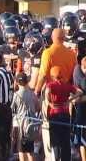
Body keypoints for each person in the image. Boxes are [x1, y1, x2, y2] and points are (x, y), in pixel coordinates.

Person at [34, 28, 76, 160]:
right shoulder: (71, 54)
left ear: (52, 38)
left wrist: (36, 90)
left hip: (51, 94)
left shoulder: (48, 53)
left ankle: (51, 157)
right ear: (64, 38)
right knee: (65, 131)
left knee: (50, 129)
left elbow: (42, 74)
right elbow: (73, 75)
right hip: (66, 95)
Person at [45, 66, 83, 160]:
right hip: (65, 113)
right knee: (65, 139)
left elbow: (47, 92)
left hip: (54, 114)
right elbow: (79, 92)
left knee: (55, 140)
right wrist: (70, 100)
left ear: (52, 75)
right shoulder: (67, 85)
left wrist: (49, 102)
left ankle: (56, 158)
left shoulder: (51, 85)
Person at [11, 73, 39, 161]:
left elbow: (12, 109)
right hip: (32, 124)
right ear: (27, 82)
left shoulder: (16, 95)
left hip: (21, 125)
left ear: (17, 83)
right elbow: (38, 107)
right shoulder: (32, 94)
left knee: (21, 150)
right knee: (30, 150)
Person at [73, 56, 86, 161]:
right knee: (82, 138)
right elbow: (77, 94)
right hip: (81, 111)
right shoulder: (77, 72)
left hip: (80, 107)